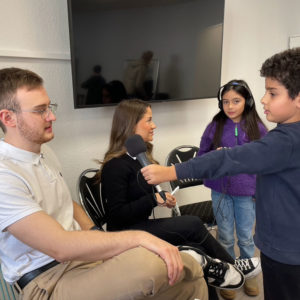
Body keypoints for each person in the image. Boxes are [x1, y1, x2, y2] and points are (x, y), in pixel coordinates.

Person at [0, 67, 209, 300]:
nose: (52, 116)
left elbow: (66, 203)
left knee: (192, 282)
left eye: (50, 107)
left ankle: (199, 263)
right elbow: (60, 247)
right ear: (8, 118)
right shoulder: (4, 175)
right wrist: (140, 238)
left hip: (82, 261)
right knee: (151, 262)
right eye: (40, 111)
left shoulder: (46, 153)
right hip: (47, 280)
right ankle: (198, 259)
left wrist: (97, 236)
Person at [141, 47, 300, 300]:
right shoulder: (225, 128)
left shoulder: (285, 141)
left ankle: (246, 278)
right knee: (225, 236)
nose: (263, 100)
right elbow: (212, 155)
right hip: (278, 242)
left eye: (272, 93)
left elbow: (228, 158)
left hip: (285, 253)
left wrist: (170, 171)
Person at [98, 99, 261, 298]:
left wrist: (161, 197)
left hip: (141, 225)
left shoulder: (138, 159)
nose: (154, 125)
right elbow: (117, 215)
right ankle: (234, 265)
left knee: (197, 251)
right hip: (124, 235)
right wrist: (153, 200)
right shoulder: (115, 167)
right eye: (149, 120)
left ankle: (217, 282)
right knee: (192, 223)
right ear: (131, 125)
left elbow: (139, 196)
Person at [197, 79, 268, 299]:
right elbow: (201, 157)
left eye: (236, 101)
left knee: (246, 237)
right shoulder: (214, 127)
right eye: (225, 101)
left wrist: (258, 191)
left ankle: (250, 275)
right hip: (221, 191)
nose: (230, 106)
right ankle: (230, 275)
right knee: (226, 237)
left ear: (246, 101)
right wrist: (214, 155)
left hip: (247, 193)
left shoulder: (258, 127)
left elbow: (265, 161)